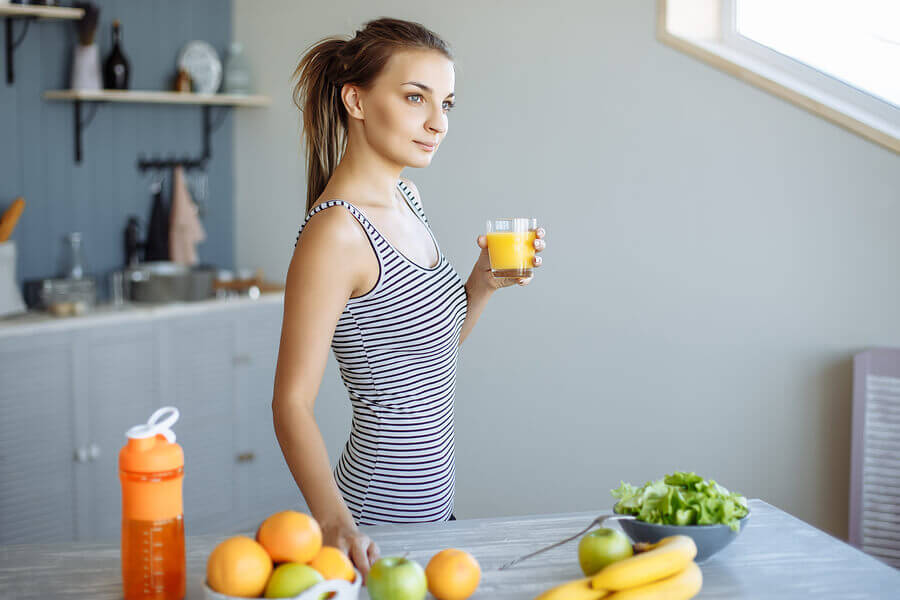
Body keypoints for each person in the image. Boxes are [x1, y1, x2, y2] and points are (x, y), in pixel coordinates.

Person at [271, 17, 547, 580]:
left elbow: (424, 355)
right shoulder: (337, 233)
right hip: (371, 521)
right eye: (415, 97)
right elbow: (290, 404)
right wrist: (333, 524)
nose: (437, 122)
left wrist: (481, 284)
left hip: (434, 511)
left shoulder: (408, 199)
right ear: (356, 99)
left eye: (446, 103)